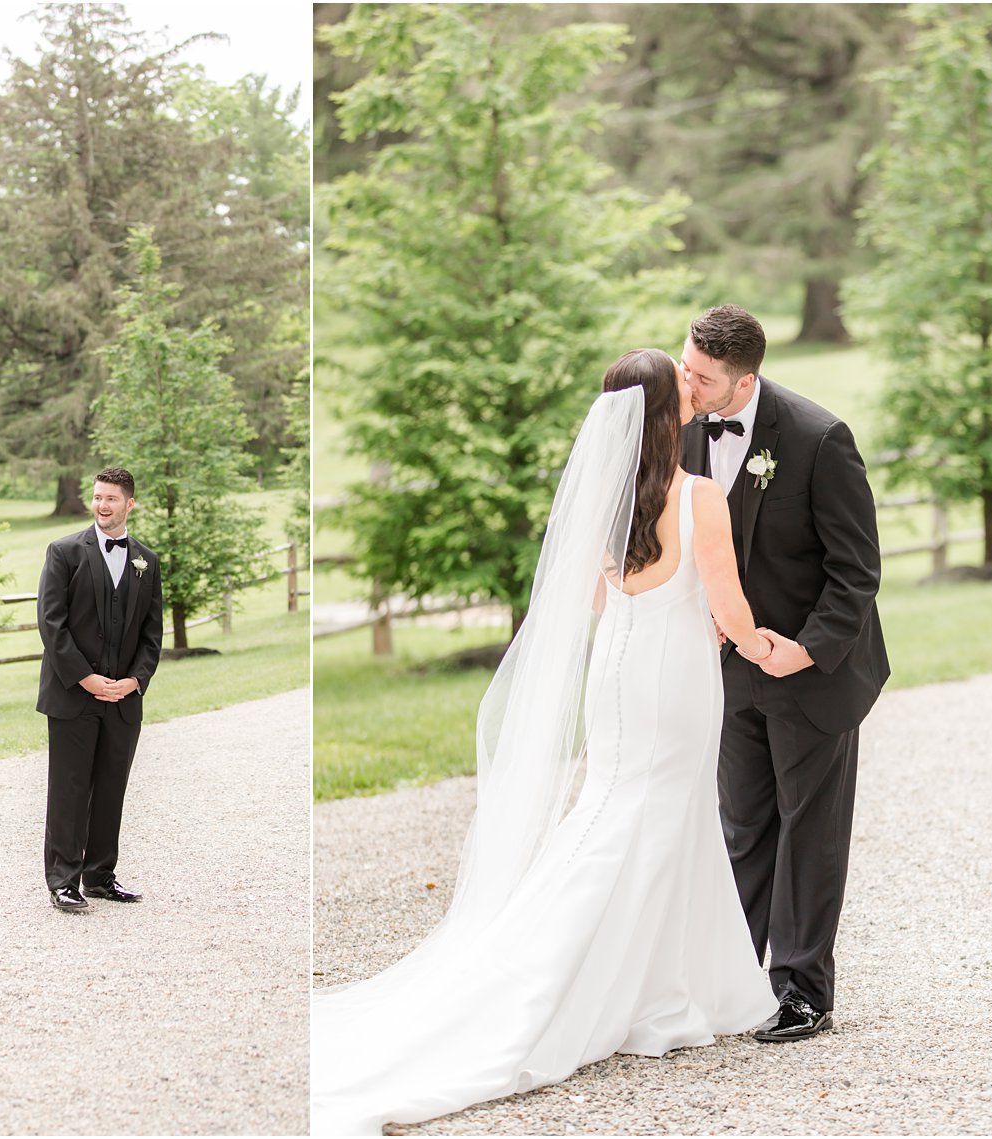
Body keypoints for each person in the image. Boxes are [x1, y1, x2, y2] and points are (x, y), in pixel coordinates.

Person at [311, 349, 780, 1135]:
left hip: (617, 675)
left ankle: (656, 986)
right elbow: (730, 611)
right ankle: (621, 987)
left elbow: (596, 596)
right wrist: (772, 648)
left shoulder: (609, 498)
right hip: (675, 684)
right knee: (659, 819)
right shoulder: (699, 497)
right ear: (668, 412)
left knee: (618, 810)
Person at [679, 304, 887, 1041]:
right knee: (743, 824)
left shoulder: (816, 438)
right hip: (730, 670)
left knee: (810, 830)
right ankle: (738, 983)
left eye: (703, 376)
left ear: (745, 380)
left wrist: (803, 648)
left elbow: (857, 572)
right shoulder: (680, 428)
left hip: (811, 669)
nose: (688, 382)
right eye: (687, 365)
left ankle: (803, 991)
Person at [36, 467, 164, 912]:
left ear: (130, 504)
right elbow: (52, 626)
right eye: (97, 497)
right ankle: (63, 881)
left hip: (123, 700)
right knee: (70, 789)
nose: (102, 505)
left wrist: (135, 681)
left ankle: (101, 877)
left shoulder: (147, 561)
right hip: (73, 695)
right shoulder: (64, 552)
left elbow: (152, 635)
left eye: (111, 498)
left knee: (112, 788)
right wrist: (86, 678)